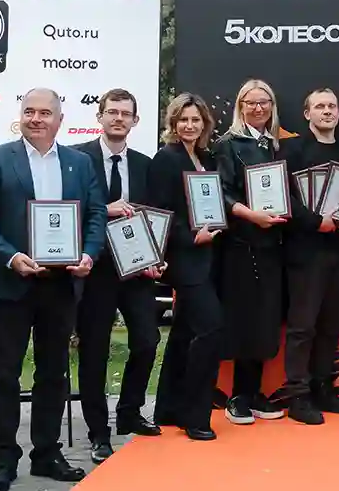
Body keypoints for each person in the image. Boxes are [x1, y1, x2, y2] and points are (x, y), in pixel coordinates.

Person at [0, 88, 109, 491]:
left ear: (59, 120)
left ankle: (47, 453)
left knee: (53, 374)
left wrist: (89, 254)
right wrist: (9, 256)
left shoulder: (79, 163)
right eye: (29, 111)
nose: (36, 119)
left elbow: (96, 213)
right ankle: (3, 460)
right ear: (20, 116)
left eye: (45, 113)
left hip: (59, 286)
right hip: (9, 284)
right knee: (4, 376)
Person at [69, 88, 163, 463]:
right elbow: (64, 209)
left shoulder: (144, 164)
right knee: (94, 350)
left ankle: (129, 411)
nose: (118, 118)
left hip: (136, 267)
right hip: (94, 268)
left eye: (125, 113)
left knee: (148, 340)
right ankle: (98, 432)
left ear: (135, 120)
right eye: (112, 112)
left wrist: (156, 256)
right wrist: (104, 209)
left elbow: (153, 215)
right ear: (100, 117)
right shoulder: (77, 159)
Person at [277, 88, 339, 424]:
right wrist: (316, 222)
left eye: (331, 106)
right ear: (307, 114)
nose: (326, 111)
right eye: (319, 106)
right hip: (305, 251)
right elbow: (283, 198)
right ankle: (298, 396)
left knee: (332, 324)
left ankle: (323, 387)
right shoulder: (292, 150)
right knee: (303, 327)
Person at [214, 78, 296, 424]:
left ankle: (255, 392)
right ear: (241, 106)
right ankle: (238, 396)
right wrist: (251, 216)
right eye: (251, 102)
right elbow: (222, 192)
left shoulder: (279, 145)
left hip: (273, 246)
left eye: (264, 102)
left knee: (266, 320)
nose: (258, 108)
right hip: (242, 245)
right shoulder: (228, 144)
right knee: (243, 319)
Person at [149, 93, 224, 442]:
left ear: (204, 123)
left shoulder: (206, 158)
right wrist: (191, 236)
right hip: (183, 259)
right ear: (173, 123)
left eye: (195, 120)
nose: (189, 125)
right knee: (211, 329)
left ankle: (167, 408)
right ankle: (195, 416)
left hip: (208, 258)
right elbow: (158, 212)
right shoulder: (166, 159)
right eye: (183, 120)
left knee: (182, 333)